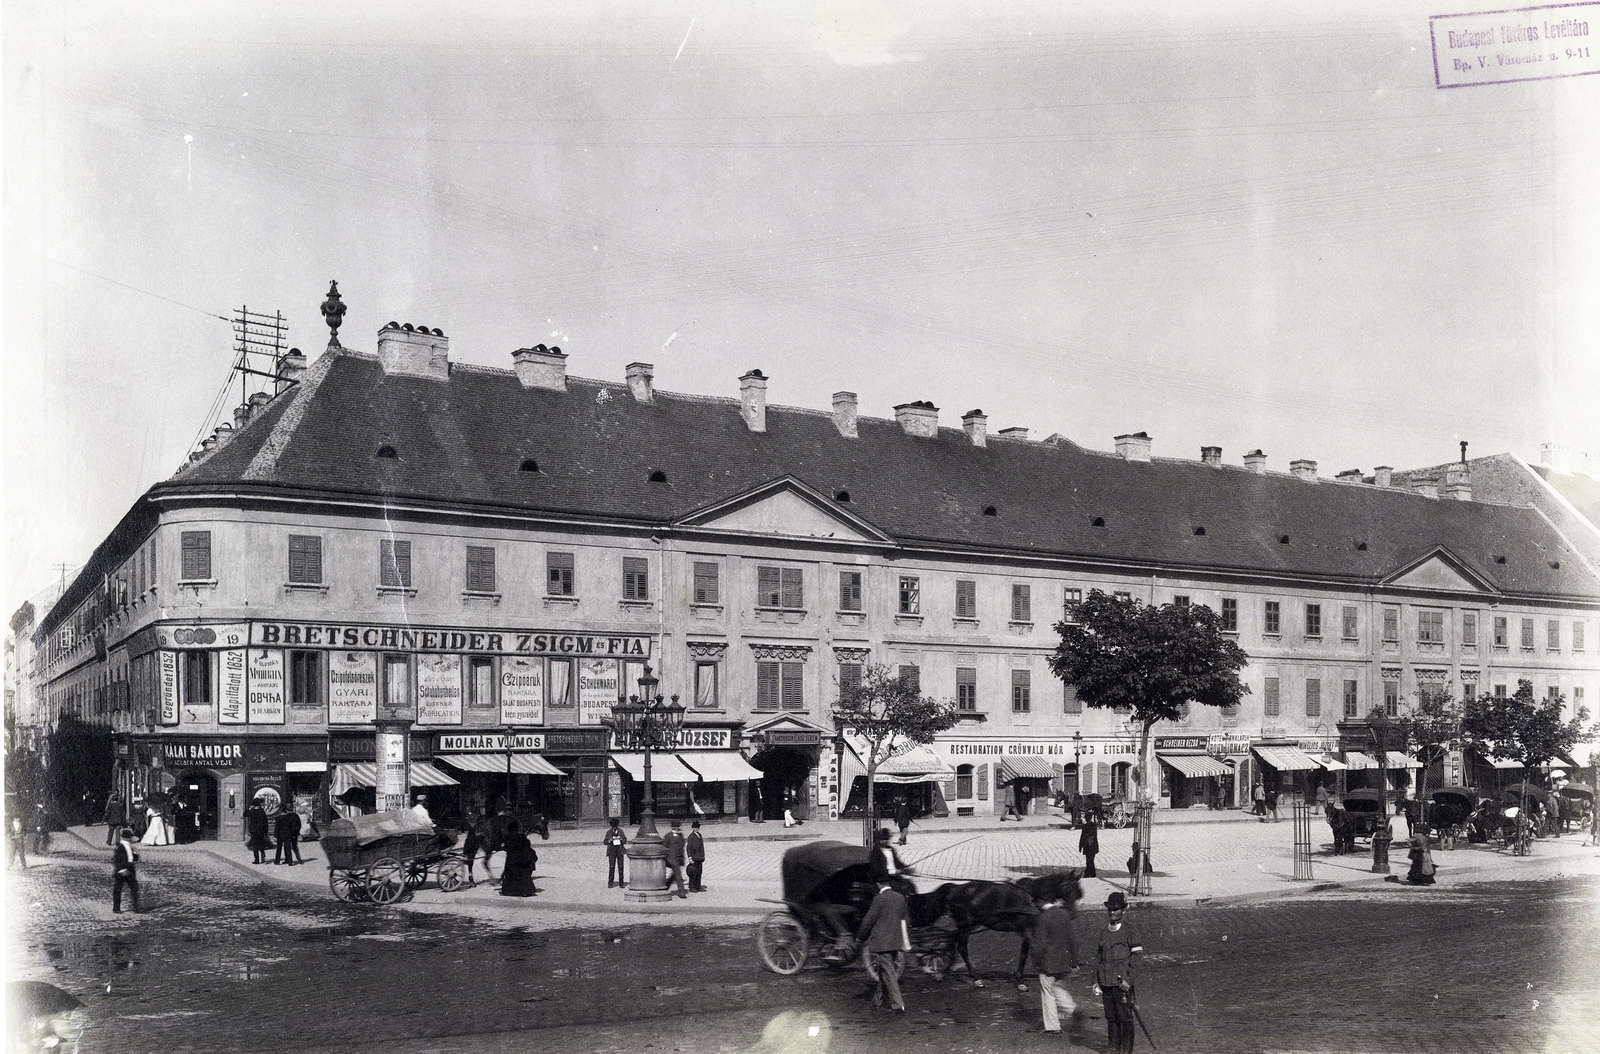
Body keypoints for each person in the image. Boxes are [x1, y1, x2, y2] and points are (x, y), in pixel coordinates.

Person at [1093, 892, 1142, 1054]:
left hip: (1122, 985)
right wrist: (1095, 980)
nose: (1112, 912)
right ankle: (1113, 1049)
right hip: (1106, 983)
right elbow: (1099, 958)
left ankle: (1126, 1051)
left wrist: (1129, 979)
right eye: (1110, 909)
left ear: (1123, 910)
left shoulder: (1130, 931)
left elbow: (1136, 957)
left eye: (1116, 909)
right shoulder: (1103, 932)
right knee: (1111, 1018)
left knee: (1125, 1019)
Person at [1029, 893, 1082, 1034]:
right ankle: (1073, 1009)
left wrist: (1036, 961)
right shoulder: (1064, 915)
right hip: (1063, 962)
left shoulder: (1043, 918)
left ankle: (1052, 1027)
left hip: (1048, 963)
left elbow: (1040, 944)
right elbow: (1072, 940)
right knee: (1057, 987)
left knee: (1047, 992)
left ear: (1040, 902)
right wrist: (1074, 961)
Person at [856, 881, 911, 1013]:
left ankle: (898, 1005)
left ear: (878, 884)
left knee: (889, 972)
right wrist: (905, 940)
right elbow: (905, 919)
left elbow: (868, 920)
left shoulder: (878, 899)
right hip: (895, 941)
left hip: (882, 943)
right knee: (883, 970)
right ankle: (877, 1001)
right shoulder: (900, 897)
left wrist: (860, 937)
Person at [499, 821, 539, 897]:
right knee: (524, 875)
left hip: (512, 860)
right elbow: (527, 844)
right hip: (522, 860)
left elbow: (506, 847)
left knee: (511, 875)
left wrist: (504, 847)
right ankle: (527, 891)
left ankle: (510, 891)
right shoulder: (522, 836)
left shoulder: (508, 837)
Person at [113, 827, 140, 914]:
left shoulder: (129, 847)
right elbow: (117, 860)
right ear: (128, 838)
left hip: (130, 870)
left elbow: (134, 858)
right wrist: (121, 870)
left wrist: (135, 853)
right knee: (118, 889)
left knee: (134, 888)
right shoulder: (120, 847)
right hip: (122, 871)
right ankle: (116, 908)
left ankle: (136, 907)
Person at [663, 820, 689, 899]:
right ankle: (681, 892)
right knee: (678, 876)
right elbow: (664, 848)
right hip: (672, 859)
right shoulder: (668, 836)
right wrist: (668, 858)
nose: (677, 830)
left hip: (679, 858)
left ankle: (665, 887)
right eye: (676, 828)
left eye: (678, 828)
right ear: (673, 828)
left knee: (674, 875)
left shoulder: (680, 836)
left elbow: (682, 846)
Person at [245, 798, 272, 865]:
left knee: (255, 846)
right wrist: (266, 831)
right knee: (261, 844)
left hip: (254, 831)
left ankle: (256, 860)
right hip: (261, 830)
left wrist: (249, 808)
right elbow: (265, 822)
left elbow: (245, 814)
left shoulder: (252, 811)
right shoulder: (262, 811)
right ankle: (263, 856)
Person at [603, 818, 628, 888]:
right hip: (612, 850)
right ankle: (610, 883)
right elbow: (605, 842)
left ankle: (621, 883)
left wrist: (621, 840)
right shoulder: (608, 832)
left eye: (616, 826)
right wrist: (609, 840)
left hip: (620, 850)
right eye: (613, 826)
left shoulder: (621, 831)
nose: (615, 827)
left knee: (621, 867)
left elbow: (625, 840)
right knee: (612, 866)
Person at [686, 820, 707, 892]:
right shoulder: (691, 837)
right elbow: (688, 847)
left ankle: (698, 886)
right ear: (693, 828)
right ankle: (692, 887)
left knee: (699, 872)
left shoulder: (700, 835)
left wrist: (703, 855)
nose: (696, 829)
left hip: (699, 857)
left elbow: (702, 846)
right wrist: (690, 857)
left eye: (697, 827)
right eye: (695, 828)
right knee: (693, 872)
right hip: (694, 857)